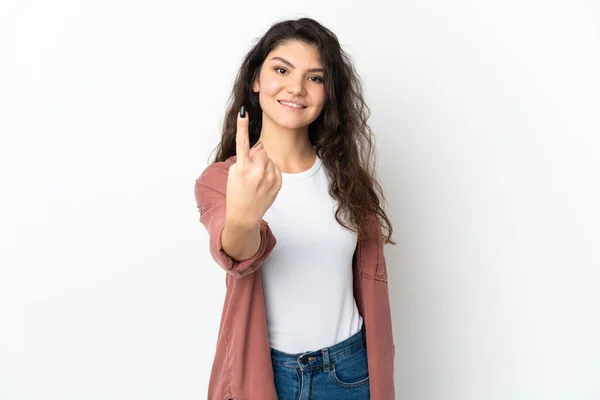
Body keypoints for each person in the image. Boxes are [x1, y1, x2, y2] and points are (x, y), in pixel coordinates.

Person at [194, 17, 396, 400]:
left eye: (315, 78)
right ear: (256, 80)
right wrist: (244, 214)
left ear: (328, 94)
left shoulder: (348, 178)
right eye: (282, 69)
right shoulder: (224, 180)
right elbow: (235, 252)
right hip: (271, 376)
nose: (296, 88)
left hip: (350, 371)